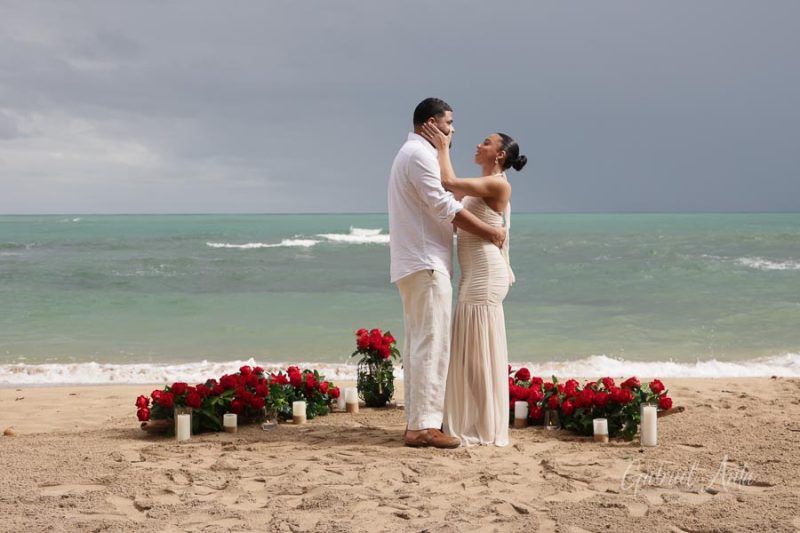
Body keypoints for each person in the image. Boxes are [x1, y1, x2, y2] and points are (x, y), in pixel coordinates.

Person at [388, 97, 506, 449]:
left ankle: (419, 421)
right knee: (432, 344)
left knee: (420, 343)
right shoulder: (420, 155)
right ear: (430, 123)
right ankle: (423, 427)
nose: (453, 130)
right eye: (448, 123)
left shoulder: (412, 153)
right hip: (425, 263)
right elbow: (444, 206)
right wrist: (490, 232)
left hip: (415, 261)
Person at [420, 122, 527, 446]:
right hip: (472, 276)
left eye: (486, 142)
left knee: (478, 356)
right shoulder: (480, 186)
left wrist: (443, 147)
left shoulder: (498, 185)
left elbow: (448, 182)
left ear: (500, 155)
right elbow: (449, 201)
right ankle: (474, 418)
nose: (479, 145)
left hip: (486, 276)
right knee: (469, 354)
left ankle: (485, 423)